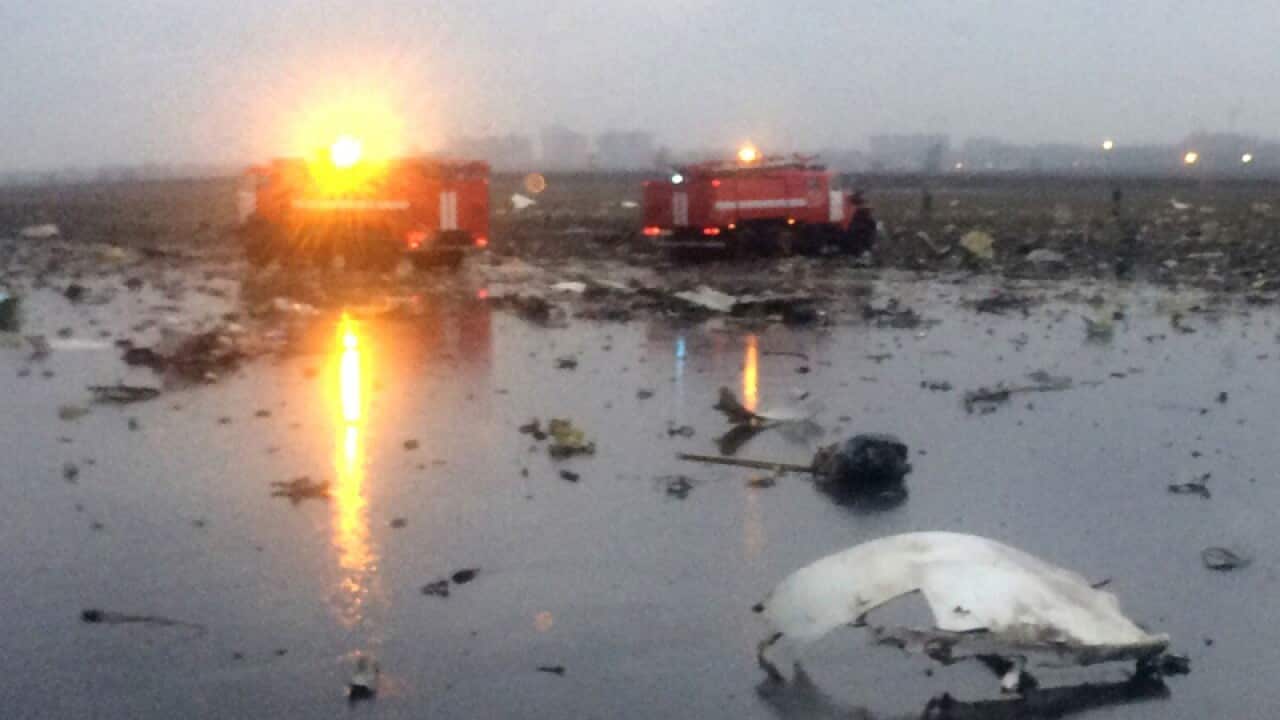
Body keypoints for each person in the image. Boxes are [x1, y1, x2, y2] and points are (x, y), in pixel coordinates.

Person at [844, 191, 877, 255]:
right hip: (857, 234)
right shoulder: (858, 217)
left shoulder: (857, 216)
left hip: (857, 234)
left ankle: (863, 249)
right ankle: (864, 249)